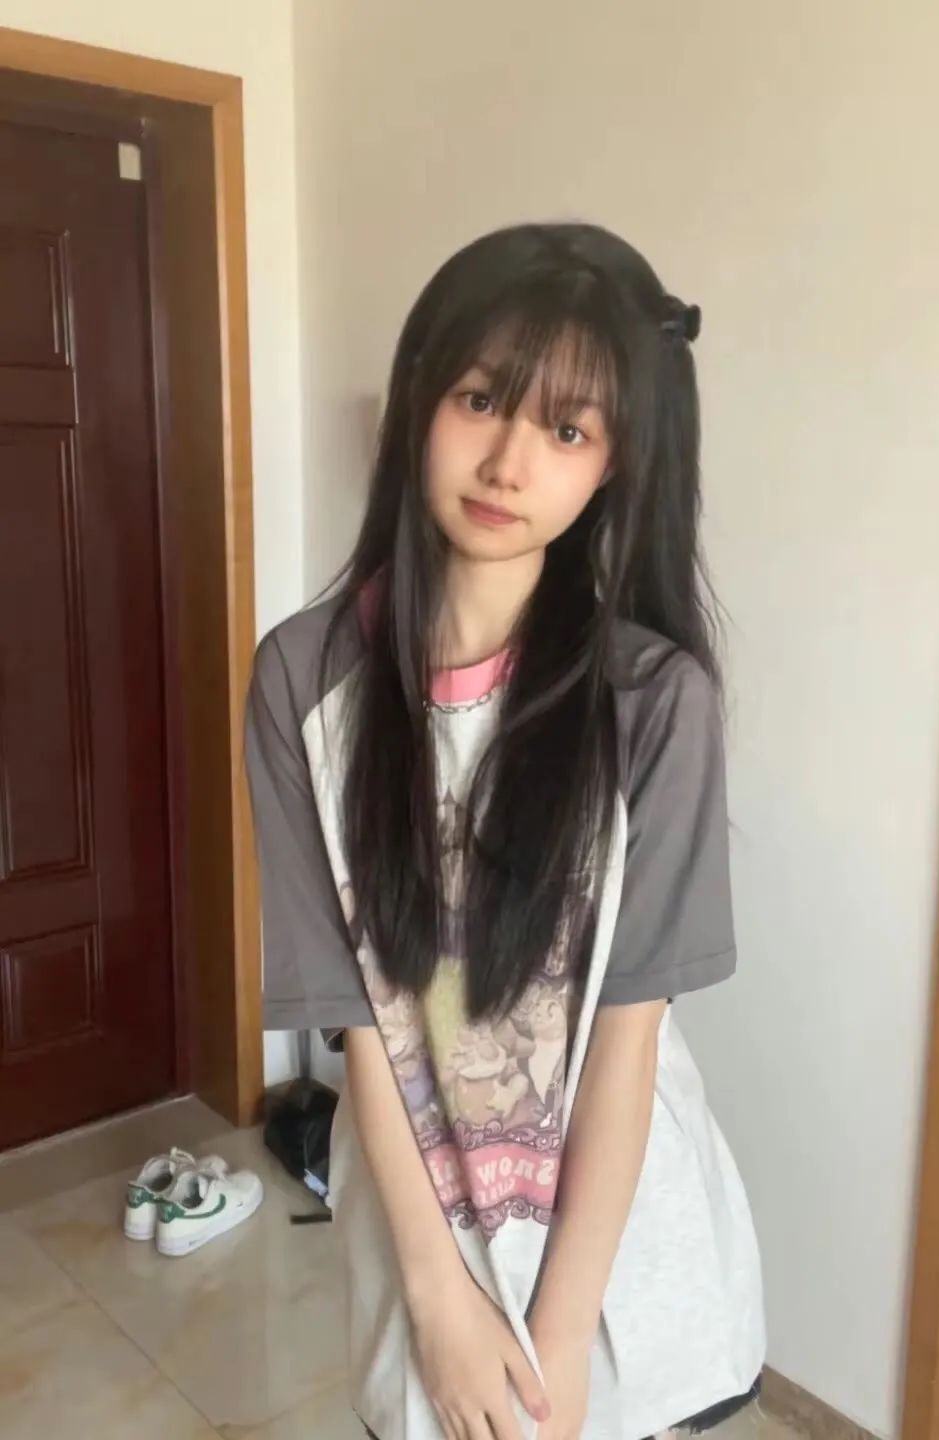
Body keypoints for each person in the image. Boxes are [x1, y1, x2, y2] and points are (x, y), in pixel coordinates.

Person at [246, 223, 766, 1440]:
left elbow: (629, 1041)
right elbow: (364, 1027)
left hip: (623, 1264)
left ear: (615, 466)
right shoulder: (303, 682)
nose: (508, 462)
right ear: (421, 399)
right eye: (481, 399)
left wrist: (564, 1340)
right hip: (423, 1242)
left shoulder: (655, 703)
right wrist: (439, 1303)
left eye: (568, 430)